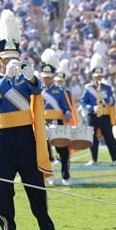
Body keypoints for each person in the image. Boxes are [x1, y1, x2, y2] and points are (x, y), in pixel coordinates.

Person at [0, 10, 67, 230]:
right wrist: (5, 79)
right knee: (3, 185)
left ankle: (47, 228)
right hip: (4, 138)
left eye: (14, 59)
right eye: (7, 60)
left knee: (35, 183)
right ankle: (7, 229)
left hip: (25, 136)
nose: (11, 63)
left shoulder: (25, 80)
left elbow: (38, 91)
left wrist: (31, 79)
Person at [80, 53, 116, 166]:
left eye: (100, 76)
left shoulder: (107, 88)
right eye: (96, 76)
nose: (98, 78)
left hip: (105, 115)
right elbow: (83, 102)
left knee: (109, 137)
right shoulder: (88, 88)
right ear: (92, 76)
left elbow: (112, 101)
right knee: (93, 138)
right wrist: (92, 108)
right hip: (93, 115)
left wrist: (109, 100)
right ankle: (93, 159)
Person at [40, 48, 72, 186]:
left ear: (53, 77)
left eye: (49, 77)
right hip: (42, 123)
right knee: (46, 153)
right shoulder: (37, 92)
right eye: (44, 77)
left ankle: (66, 175)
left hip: (57, 123)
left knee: (63, 151)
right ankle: (48, 176)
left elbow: (66, 106)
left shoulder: (59, 91)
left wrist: (67, 112)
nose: (46, 79)